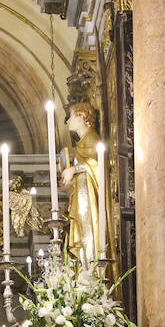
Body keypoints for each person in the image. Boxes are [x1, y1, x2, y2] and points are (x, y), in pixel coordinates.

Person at [60, 102, 102, 266]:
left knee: (88, 235)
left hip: (89, 205)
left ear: (83, 117)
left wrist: (74, 169)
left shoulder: (92, 138)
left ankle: (91, 267)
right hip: (82, 200)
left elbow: (98, 166)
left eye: (71, 116)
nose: (68, 121)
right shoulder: (82, 143)